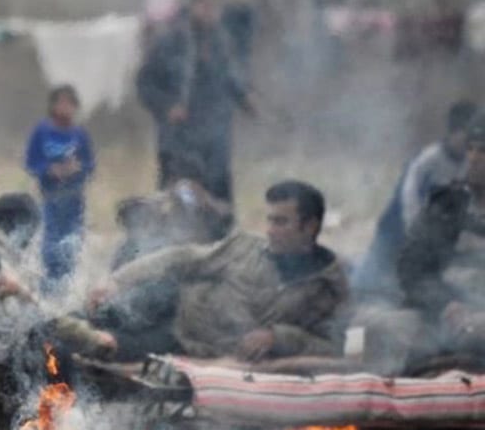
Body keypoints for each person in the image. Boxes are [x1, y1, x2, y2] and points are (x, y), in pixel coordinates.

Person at [87, 180, 348, 362]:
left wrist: (278, 337)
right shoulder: (247, 246)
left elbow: (337, 348)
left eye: (281, 222)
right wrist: (117, 281)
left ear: (310, 226)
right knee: (116, 306)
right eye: (269, 220)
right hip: (169, 303)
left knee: (102, 344)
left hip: (188, 342)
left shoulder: (330, 287)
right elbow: (184, 256)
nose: (269, 230)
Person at [136, 0, 252, 202]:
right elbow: (144, 84)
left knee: (218, 199)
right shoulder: (170, 42)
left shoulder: (223, 43)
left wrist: (245, 99)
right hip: (180, 137)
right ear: (194, 6)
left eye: (216, 7)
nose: (210, 12)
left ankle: (221, 235)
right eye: (205, 5)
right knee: (177, 200)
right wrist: (168, 106)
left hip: (215, 134)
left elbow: (230, 79)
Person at [354, 100, 479, 300]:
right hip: (396, 230)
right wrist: (418, 233)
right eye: (468, 140)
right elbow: (408, 199)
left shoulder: (467, 163)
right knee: (368, 280)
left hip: (428, 237)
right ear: (454, 132)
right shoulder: (428, 159)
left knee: (401, 286)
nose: (471, 150)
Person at [395, 114, 485, 357]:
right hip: (443, 312)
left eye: (483, 151)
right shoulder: (448, 204)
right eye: (471, 149)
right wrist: (447, 303)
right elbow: (412, 269)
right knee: (374, 328)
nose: (474, 159)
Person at [24, 85, 96, 287]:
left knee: (71, 244)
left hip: (74, 198)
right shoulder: (42, 131)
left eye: (70, 103)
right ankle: (48, 287)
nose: (65, 107)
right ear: (53, 106)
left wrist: (77, 168)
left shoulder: (80, 134)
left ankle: (67, 287)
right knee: (50, 246)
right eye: (61, 102)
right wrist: (50, 170)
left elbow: (90, 165)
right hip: (50, 197)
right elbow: (31, 162)